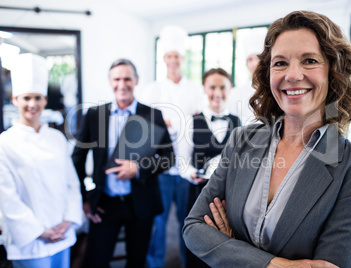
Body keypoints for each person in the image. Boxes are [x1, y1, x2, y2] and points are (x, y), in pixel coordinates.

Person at [183, 10, 351, 268]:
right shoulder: (242, 140)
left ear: (333, 71)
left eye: (309, 60)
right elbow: (194, 228)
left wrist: (231, 246)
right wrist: (276, 264)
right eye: (280, 63)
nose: (292, 75)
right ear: (268, 74)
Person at [72, 58, 175, 268]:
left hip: (141, 203)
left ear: (136, 80)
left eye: (127, 78)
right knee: (96, 261)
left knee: (137, 261)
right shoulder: (94, 115)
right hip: (104, 203)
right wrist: (84, 199)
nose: (122, 84)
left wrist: (139, 169)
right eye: (116, 79)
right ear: (110, 82)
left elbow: (169, 158)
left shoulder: (152, 114)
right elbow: (77, 159)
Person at [0, 53, 83, 268]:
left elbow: (71, 184)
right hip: (29, 241)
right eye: (26, 98)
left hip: (62, 235)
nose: (32, 104)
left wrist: (68, 221)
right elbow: (6, 197)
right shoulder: (5, 142)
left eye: (37, 98)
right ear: (15, 100)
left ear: (45, 100)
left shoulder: (56, 138)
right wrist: (39, 232)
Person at [137, 25, 207, 268]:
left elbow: (200, 122)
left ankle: (188, 264)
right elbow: (144, 126)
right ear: (164, 59)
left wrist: (171, 122)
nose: (173, 61)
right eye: (169, 56)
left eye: (177, 56)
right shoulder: (152, 89)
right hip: (161, 169)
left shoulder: (195, 89)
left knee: (188, 224)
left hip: (187, 169)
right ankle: (155, 264)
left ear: (182, 59)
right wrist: (172, 122)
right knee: (159, 223)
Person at [178, 68, 241, 267]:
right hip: (198, 193)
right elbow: (182, 162)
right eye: (212, 87)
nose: (217, 92)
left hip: (230, 197)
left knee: (227, 245)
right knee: (196, 244)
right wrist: (192, 174)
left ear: (229, 88)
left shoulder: (238, 122)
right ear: (204, 89)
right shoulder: (191, 121)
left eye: (222, 87)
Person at [226, 30, 266, 125]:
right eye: (250, 59)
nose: (254, 63)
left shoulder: (273, 90)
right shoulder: (236, 93)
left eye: (257, 58)